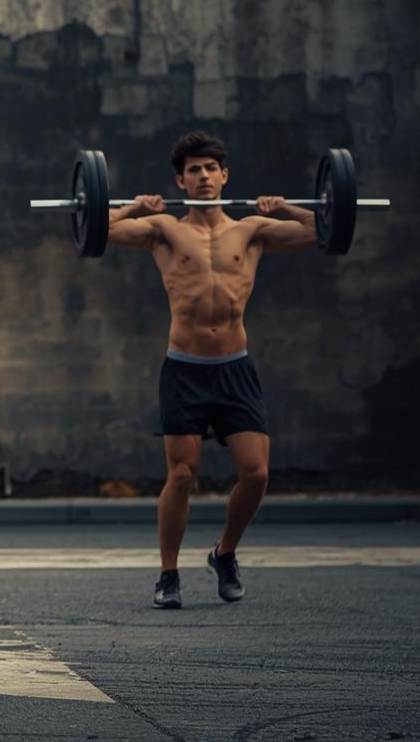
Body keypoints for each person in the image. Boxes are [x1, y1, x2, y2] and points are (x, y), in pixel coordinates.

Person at [106, 131, 315, 609]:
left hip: (235, 368)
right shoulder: (164, 229)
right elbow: (98, 230)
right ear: (181, 181)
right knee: (182, 474)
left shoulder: (252, 229)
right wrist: (136, 207)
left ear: (225, 176)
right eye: (194, 171)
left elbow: (323, 233)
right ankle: (168, 574)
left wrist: (284, 208)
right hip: (184, 368)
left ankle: (224, 553)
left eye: (210, 169)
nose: (203, 177)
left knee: (257, 473)